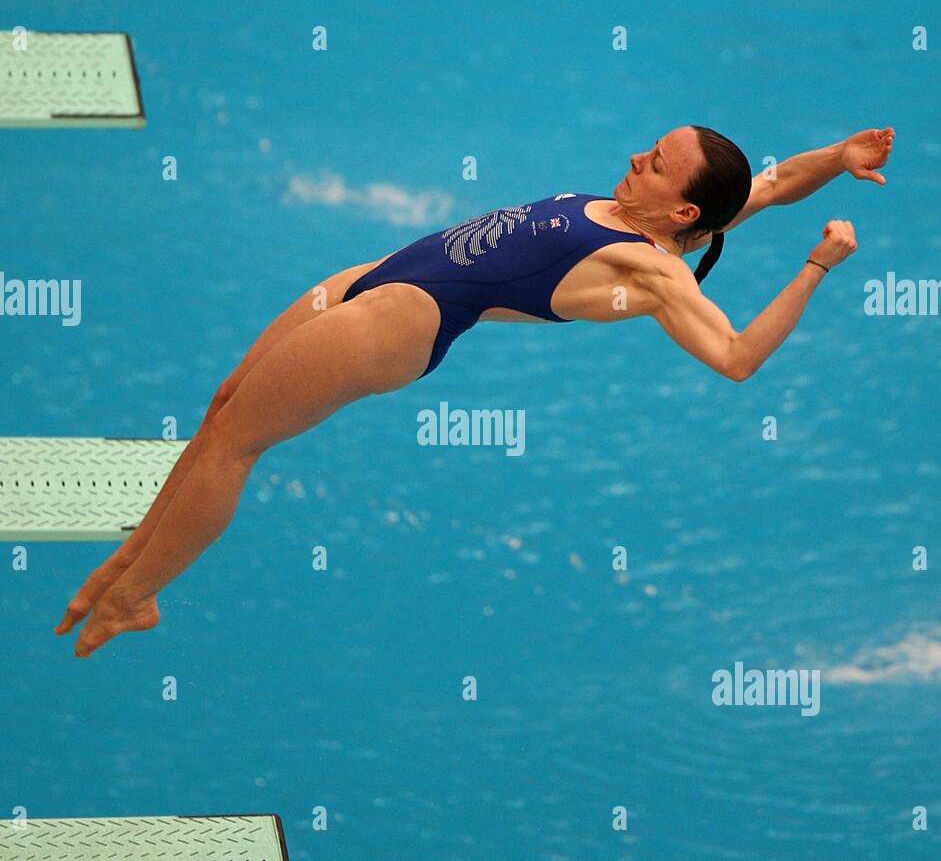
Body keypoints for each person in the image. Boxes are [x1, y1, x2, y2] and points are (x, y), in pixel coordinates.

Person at [56, 123, 894, 656]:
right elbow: (772, 186)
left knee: (239, 443)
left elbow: (738, 355)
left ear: (679, 214)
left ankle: (135, 598)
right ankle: (133, 559)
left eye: (657, 164)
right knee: (223, 405)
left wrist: (817, 265)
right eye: (653, 148)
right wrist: (839, 157)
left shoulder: (648, 267)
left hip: (403, 317)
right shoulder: (654, 212)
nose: (639, 157)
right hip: (379, 276)